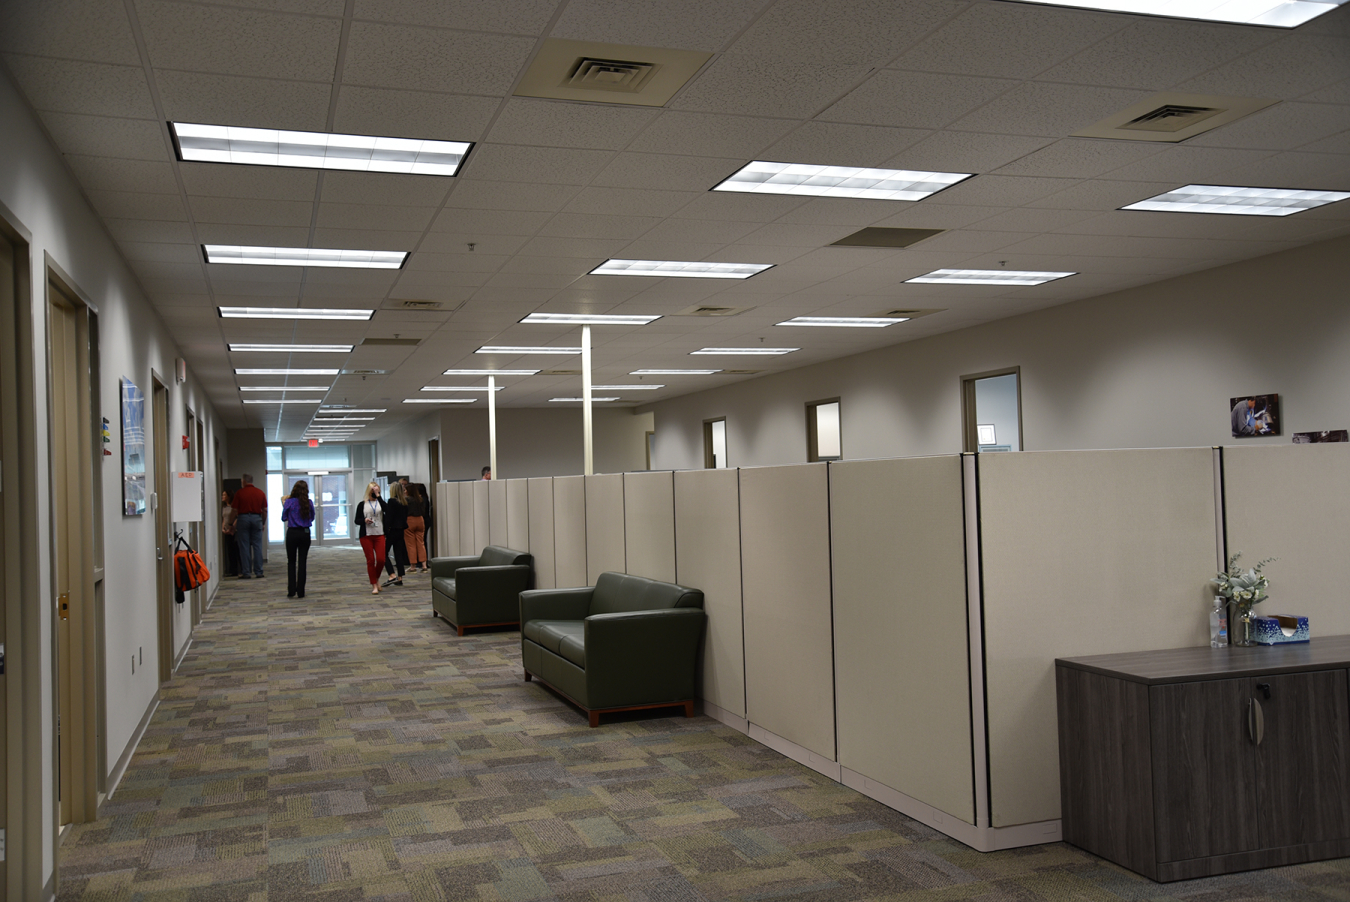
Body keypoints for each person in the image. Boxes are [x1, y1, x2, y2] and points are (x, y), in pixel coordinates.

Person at [281, 480, 315, 597]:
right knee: (302, 561)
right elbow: (312, 518)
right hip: (305, 533)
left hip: (292, 533)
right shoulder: (309, 503)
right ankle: (301, 591)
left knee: (291, 562)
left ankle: (291, 590)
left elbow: (284, 517)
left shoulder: (289, 502)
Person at [354, 482, 387, 594]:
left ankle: (376, 578)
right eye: (373, 490)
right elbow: (356, 520)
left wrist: (379, 496)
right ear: (369, 491)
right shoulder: (362, 504)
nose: (374, 493)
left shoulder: (380, 502)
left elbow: (388, 510)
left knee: (381, 559)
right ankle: (374, 585)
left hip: (379, 533)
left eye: (376, 491)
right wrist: (364, 520)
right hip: (366, 535)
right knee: (371, 560)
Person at [232, 473, 267, 578]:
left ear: (244, 481)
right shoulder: (260, 493)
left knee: (244, 546)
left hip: (243, 519)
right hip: (257, 519)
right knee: (257, 546)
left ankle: (246, 572)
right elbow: (264, 510)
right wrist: (263, 523)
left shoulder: (239, 493)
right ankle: (259, 571)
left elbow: (234, 509)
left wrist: (231, 523)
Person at [382, 481, 409, 587]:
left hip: (392, 531)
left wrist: (385, 531)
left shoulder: (392, 501)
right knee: (398, 554)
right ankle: (400, 577)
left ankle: (391, 575)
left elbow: (389, 517)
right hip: (401, 531)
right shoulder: (404, 503)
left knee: (383, 553)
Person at [405, 483, 429, 572]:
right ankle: (424, 565)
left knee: (411, 544)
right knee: (421, 543)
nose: (405, 491)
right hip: (420, 519)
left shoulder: (406, 500)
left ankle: (413, 566)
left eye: (405, 490)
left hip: (410, 520)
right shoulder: (420, 499)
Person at [221, 490, 240, 577]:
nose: (223, 496)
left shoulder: (233, 507)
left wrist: (232, 528)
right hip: (226, 531)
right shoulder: (224, 507)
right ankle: (232, 570)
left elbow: (237, 518)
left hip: (234, 531)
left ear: (229, 496)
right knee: (230, 552)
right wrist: (223, 528)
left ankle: (239, 569)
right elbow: (224, 518)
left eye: (224, 495)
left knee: (236, 550)